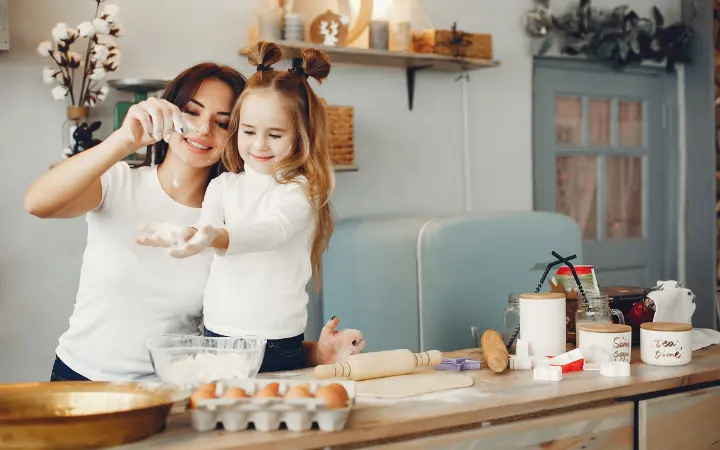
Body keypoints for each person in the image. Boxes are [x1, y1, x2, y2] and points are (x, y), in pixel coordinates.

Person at [24, 61, 361, 382]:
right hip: (82, 379)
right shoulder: (121, 183)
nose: (202, 129)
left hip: (171, 391)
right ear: (170, 111)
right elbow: (38, 203)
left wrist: (314, 352)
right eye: (192, 112)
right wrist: (123, 140)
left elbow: (239, 336)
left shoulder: (238, 214)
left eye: (222, 121)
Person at [136, 41, 361, 373]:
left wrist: (214, 236)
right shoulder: (223, 185)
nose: (258, 145)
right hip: (218, 335)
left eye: (275, 134)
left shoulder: (299, 192)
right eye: (249, 131)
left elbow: (269, 232)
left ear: (301, 136)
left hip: (274, 342)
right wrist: (180, 235)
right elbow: (205, 228)